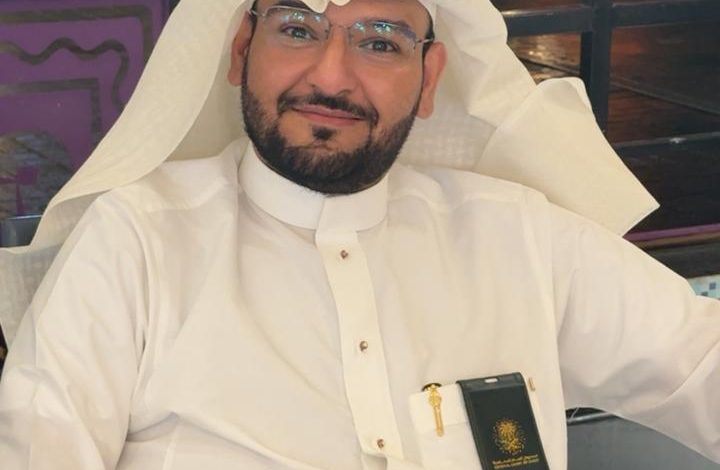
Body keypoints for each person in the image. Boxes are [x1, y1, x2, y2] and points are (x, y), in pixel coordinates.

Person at [0, 0, 717, 469]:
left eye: (380, 42)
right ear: (240, 49)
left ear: (429, 78)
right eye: (298, 29)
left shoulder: (521, 238)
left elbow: (700, 366)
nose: (331, 76)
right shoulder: (136, 243)